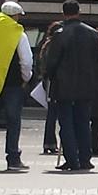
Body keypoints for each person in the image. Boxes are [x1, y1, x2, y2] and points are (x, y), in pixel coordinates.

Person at [45, 0, 98, 171]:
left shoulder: (60, 34)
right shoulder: (92, 34)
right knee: (83, 123)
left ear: (63, 13)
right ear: (79, 11)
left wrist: (48, 77)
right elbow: (97, 60)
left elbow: (52, 62)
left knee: (66, 124)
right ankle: (85, 158)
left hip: (63, 86)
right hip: (86, 86)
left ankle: (72, 159)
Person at [0, 2, 34, 171]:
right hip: (12, 84)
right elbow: (26, 61)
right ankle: (13, 158)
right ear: (15, 16)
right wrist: (26, 78)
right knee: (13, 120)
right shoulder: (19, 34)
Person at [38, 21, 62, 155]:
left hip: (48, 81)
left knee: (51, 113)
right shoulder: (53, 46)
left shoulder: (46, 45)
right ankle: (50, 142)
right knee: (54, 113)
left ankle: (49, 142)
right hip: (53, 81)